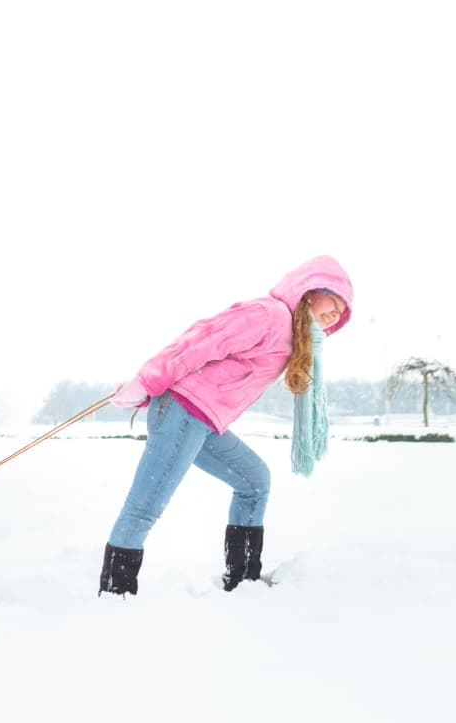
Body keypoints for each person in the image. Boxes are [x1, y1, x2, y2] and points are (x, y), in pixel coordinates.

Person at [99, 254, 353, 597]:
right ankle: (116, 592)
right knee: (145, 506)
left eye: (342, 311)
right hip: (182, 410)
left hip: (204, 422)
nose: (337, 312)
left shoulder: (296, 337)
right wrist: (148, 380)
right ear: (308, 291)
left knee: (254, 480)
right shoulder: (269, 314)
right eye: (333, 300)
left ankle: (243, 579)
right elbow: (201, 340)